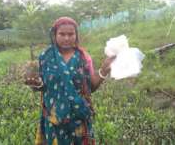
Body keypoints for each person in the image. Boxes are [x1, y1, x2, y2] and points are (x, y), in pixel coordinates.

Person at [25, 17, 115, 145]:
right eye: (62, 34)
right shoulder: (45, 57)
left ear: (76, 35)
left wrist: (103, 71)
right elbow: (42, 85)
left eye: (71, 34)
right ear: (54, 35)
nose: (66, 38)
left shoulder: (84, 58)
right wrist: (36, 84)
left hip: (79, 119)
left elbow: (91, 87)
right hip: (53, 118)